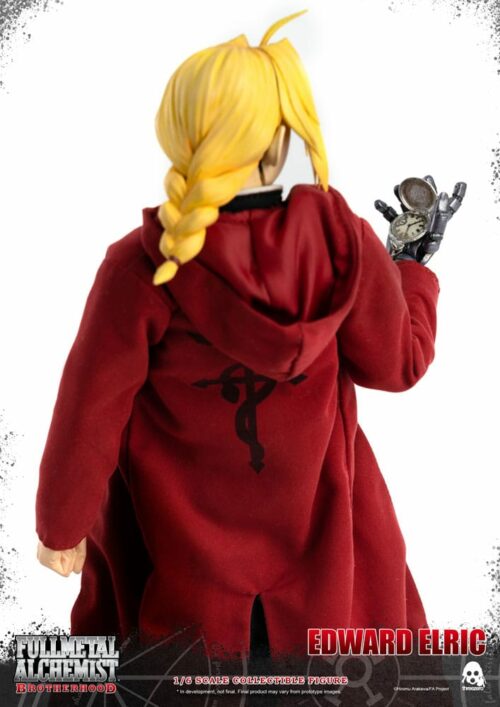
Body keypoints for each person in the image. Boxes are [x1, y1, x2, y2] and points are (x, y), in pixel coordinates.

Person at [36, 12, 445, 660]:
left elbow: (89, 407)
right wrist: (411, 268)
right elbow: (399, 364)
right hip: (324, 564)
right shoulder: (346, 246)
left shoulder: (142, 266)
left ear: (184, 136)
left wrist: (60, 524)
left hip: (185, 569)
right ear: (282, 144)